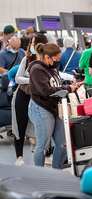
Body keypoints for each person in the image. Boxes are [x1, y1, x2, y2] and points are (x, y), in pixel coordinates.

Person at [28, 42, 79, 169]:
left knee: (63, 143)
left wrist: (69, 85)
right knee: (43, 145)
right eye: (56, 59)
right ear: (47, 57)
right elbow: (46, 90)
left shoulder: (53, 67)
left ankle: (56, 171)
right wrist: (68, 88)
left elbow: (56, 84)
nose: (58, 62)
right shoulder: (37, 70)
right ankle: (40, 174)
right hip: (41, 108)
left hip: (55, 107)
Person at [13, 34, 48, 166]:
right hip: (23, 95)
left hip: (39, 97)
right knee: (20, 126)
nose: (31, 45)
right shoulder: (26, 59)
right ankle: (19, 157)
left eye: (34, 43)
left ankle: (46, 154)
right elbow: (18, 78)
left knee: (43, 127)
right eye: (31, 43)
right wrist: (34, 81)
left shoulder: (47, 60)